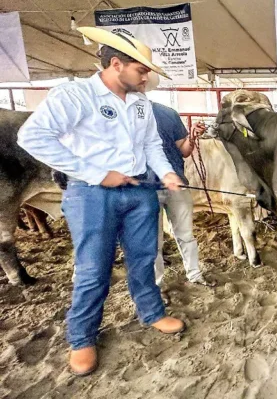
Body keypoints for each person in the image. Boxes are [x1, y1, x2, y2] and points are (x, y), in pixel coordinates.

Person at [17, 27, 185, 377]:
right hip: (91, 194)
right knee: (93, 268)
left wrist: (166, 173)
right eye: (141, 70)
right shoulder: (74, 96)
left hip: (140, 190)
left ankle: (152, 313)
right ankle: (81, 338)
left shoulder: (140, 103)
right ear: (116, 64)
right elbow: (32, 136)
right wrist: (95, 172)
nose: (146, 77)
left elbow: (152, 145)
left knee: (145, 258)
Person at [143, 73, 215, 287]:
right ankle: (157, 283)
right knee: (152, 241)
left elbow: (183, 150)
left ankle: (194, 274)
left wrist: (192, 137)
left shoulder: (167, 113)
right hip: (145, 187)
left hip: (176, 182)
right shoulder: (124, 116)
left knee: (186, 234)